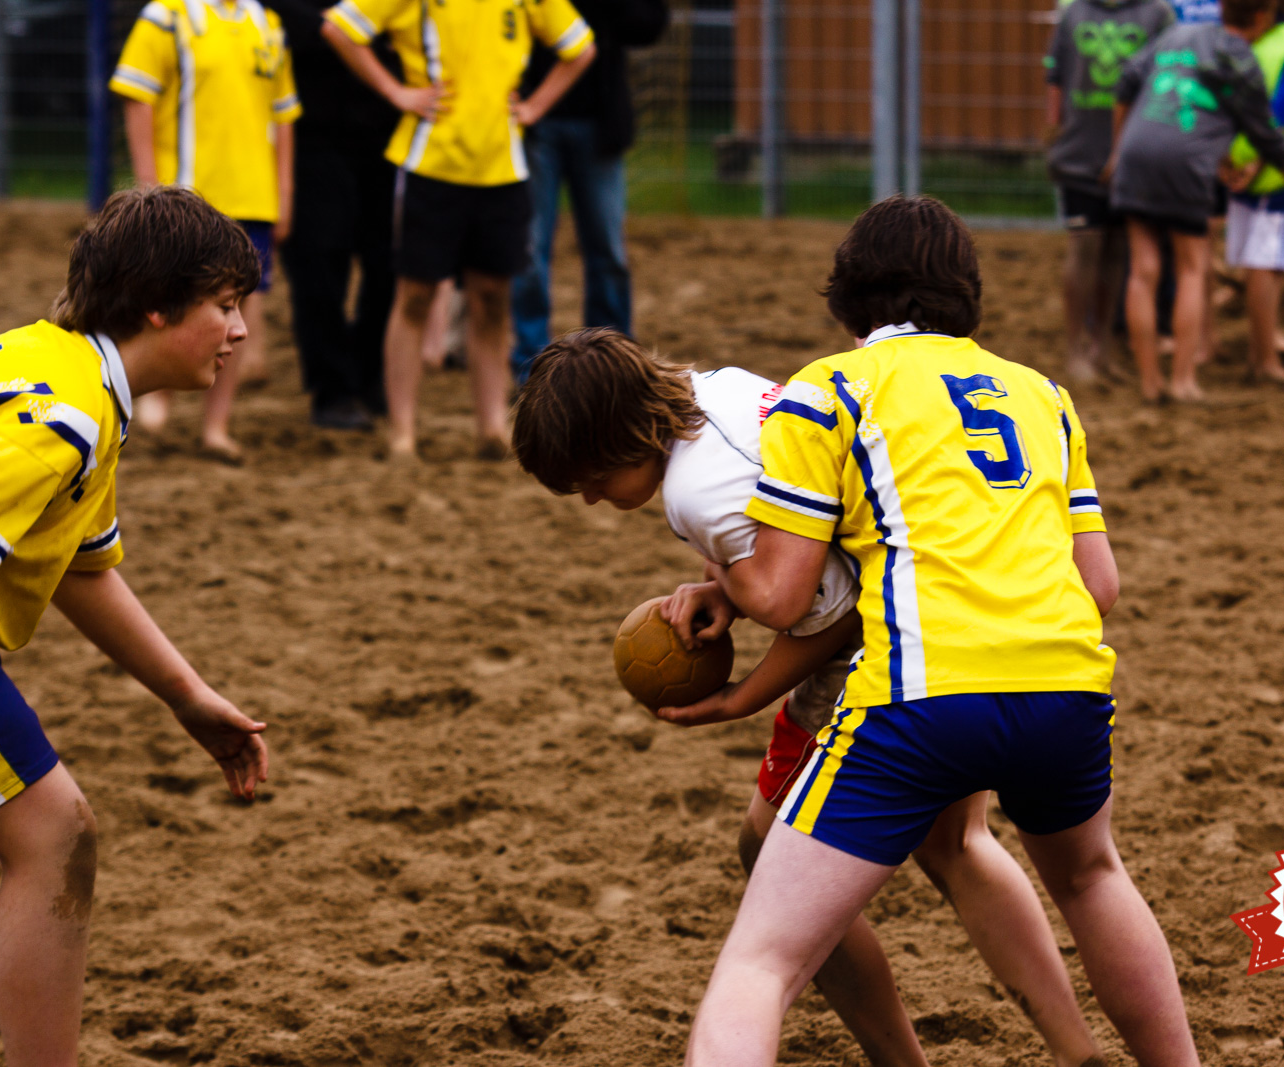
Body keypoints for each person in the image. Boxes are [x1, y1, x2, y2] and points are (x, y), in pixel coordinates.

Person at [679, 195, 1198, 1067]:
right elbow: (1099, 585)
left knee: (761, 960)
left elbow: (784, 593)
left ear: (847, 304)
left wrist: (719, 581)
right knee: (1093, 875)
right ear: (968, 299)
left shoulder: (828, 389)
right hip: (1067, 689)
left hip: (920, 700)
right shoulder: (1042, 394)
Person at [511, 328, 1107, 1067]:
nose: (594, 497)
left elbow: (831, 610)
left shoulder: (695, 489)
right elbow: (799, 520)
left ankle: (900, 1060)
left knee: (765, 852)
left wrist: (744, 695)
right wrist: (729, 582)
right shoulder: (719, 385)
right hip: (953, 605)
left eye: (589, 477)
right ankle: (1079, 1052)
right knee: (956, 841)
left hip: (884, 648)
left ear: (620, 434)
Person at [0, 187, 270, 1067]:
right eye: (226, 306)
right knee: (55, 834)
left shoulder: (71, 376)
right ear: (157, 305)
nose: (240, 332)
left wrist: (188, 695)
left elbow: (83, 568)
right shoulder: (61, 418)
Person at [321, 0, 597, 460]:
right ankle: (403, 432)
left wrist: (534, 107)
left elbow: (580, 48)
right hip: (430, 164)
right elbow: (338, 28)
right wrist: (396, 92)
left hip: (502, 169)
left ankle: (491, 427)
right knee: (414, 295)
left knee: (492, 299)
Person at [1107, 0, 1284, 402]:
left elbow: (1127, 84)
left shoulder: (1177, 34)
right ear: (1264, 16)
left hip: (1135, 154)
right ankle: (1182, 381)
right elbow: (1270, 138)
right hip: (1186, 165)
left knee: (1143, 270)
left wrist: (1116, 151)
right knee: (1192, 269)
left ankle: (1149, 383)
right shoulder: (1239, 56)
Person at [111, 0, 301, 461]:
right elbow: (138, 97)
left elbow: (283, 116)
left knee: (233, 318)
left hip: (251, 199)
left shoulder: (267, 26)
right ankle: (158, 398)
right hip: (187, 197)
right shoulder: (167, 16)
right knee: (168, 300)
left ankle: (217, 425)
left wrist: (283, 190)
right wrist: (148, 185)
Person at [509, 0, 670, 383]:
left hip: (600, 124)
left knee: (607, 251)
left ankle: (613, 365)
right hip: (533, 124)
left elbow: (647, 25)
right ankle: (531, 369)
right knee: (530, 253)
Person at [267, 0, 401, 430]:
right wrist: (351, 31)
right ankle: (332, 391)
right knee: (320, 269)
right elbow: (301, 31)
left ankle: (368, 373)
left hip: (386, 138)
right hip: (312, 142)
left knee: (390, 266)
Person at [1045, 0, 1176, 384]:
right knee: (1085, 247)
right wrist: (1054, 130)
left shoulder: (1157, 15)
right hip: (1079, 154)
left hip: (1132, 154)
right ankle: (1075, 351)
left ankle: (1102, 349)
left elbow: (1167, 80)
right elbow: (1055, 79)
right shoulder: (1073, 12)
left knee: (1118, 250)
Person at [1224, 0, 1284, 384]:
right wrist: (1258, 165)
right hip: (1276, 174)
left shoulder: (1246, 45)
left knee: (1257, 265)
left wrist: (1232, 164)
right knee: (1269, 268)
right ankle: (1264, 359)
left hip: (1240, 170)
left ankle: (1261, 348)